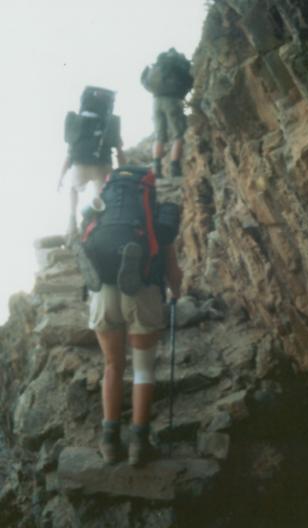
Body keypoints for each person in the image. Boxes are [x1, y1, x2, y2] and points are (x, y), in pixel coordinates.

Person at [83, 166, 182, 466]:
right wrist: (175, 292)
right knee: (142, 370)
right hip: (142, 290)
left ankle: (110, 441)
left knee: (112, 365)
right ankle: (139, 443)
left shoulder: (102, 209)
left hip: (103, 290)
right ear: (148, 190)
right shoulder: (156, 217)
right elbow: (173, 272)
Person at [58, 86, 126, 240]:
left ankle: (72, 221)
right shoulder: (110, 122)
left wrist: (61, 176)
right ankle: (102, 225)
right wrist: (125, 171)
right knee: (103, 198)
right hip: (104, 165)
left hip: (80, 164)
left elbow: (70, 153)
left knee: (73, 189)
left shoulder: (78, 122)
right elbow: (119, 150)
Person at [141, 48, 193, 179]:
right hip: (172, 100)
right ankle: (175, 169)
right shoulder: (177, 65)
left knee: (160, 137)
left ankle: (156, 170)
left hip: (156, 100)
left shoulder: (160, 65)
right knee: (179, 135)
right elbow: (189, 80)